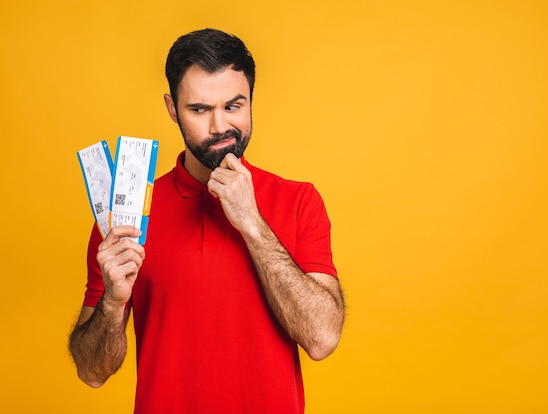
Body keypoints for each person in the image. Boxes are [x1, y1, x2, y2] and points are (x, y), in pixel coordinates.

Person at [69, 28, 345, 414]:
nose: (219, 127)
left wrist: (252, 224)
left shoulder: (299, 201)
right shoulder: (125, 216)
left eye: (234, 106)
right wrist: (113, 303)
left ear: (250, 101)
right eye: (199, 109)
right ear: (171, 108)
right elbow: (91, 371)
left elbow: (322, 338)